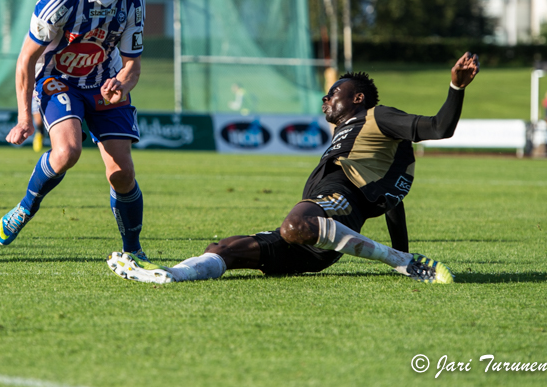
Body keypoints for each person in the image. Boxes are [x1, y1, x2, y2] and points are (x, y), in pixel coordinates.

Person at [108, 53, 480, 285]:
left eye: (334, 92)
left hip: (335, 204)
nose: (326, 98)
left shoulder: (377, 116)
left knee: (295, 225)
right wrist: (404, 252)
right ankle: (170, 274)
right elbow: (390, 199)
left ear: (358, 97)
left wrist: (455, 87)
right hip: (325, 237)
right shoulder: (351, 135)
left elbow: (438, 128)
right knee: (226, 248)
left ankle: (399, 261)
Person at [0, 0, 150, 261]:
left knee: (122, 173)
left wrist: (121, 84)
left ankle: (133, 251)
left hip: (103, 83)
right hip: (58, 79)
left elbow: (132, 66)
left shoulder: (135, 0)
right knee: (67, 152)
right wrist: (24, 117)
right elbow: (26, 61)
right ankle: (25, 206)